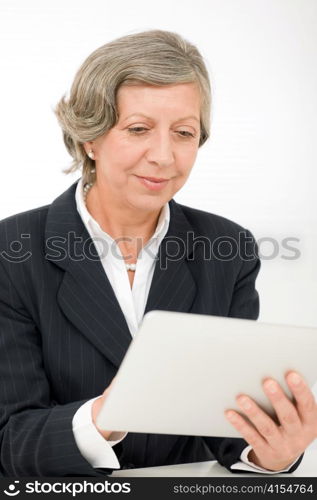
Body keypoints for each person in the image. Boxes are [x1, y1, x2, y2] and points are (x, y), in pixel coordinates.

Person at [0, 30, 316, 478]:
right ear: (90, 138)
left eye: (183, 133)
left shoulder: (229, 250)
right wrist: (103, 419)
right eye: (138, 129)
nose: (164, 156)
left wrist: (273, 452)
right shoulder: (10, 253)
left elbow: (226, 425)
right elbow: (10, 440)